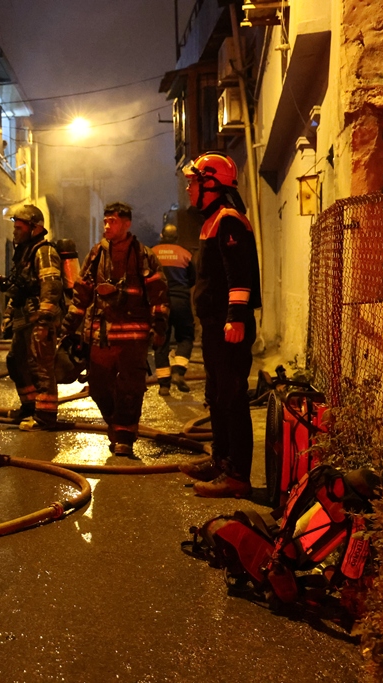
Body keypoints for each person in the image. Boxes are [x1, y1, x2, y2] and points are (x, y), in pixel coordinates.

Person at [177, 153, 261, 498]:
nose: (188, 188)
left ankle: (237, 475)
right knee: (217, 396)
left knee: (232, 399)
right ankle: (221, 461)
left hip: (229, 327)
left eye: (193, 181)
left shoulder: (228, 221)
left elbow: (238, 275)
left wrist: (236, 318)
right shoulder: (212, 221)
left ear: (210, 183)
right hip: (215, 326)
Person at [63, 202, 169, 457]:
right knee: (99, 388)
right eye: (106, 221)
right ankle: (116, 425)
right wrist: (69, 326)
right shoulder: (96, 254)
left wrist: (159, 327)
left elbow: (158, 295)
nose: (107, 226)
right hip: (101, 336)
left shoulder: (144, 256)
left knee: (130, 389)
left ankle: (124, 438)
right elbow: (82, 293)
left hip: (133, 338)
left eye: (113, 221)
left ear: (126, 224)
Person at [2, 204, 64, 430]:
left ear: (35, 228)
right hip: (23, 318)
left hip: (38, 318)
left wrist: (45, 321)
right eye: (15, 227)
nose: (15, 232)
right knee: (15, 362)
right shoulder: (24, 253)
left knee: (41, 366)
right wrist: (9, 315)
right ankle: (29, 406)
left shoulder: (44, 251)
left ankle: (45, 416)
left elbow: (51, 286)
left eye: (19, 227)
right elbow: (18, 288)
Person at [151, 223, 196, 396]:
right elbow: (193, 278)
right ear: (176, 237)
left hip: (159, 302)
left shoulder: (153, 252)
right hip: (181, 301)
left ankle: (164, 385)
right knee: (185, 337)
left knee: (160, 341)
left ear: (162, 235)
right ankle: (178, 371)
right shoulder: (185, 254)